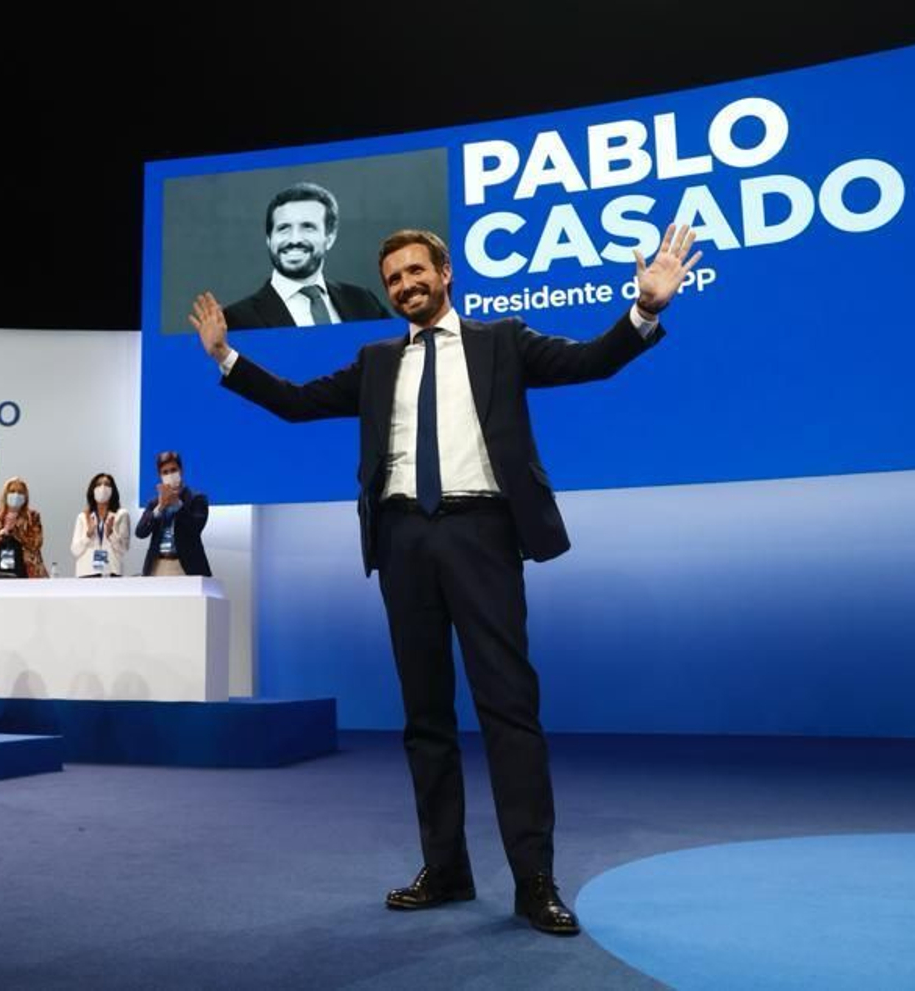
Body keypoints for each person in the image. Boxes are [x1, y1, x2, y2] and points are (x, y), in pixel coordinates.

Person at [190, 224, 703, 935]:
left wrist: (645, 310)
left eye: (414, 271)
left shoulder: (502, 342)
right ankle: (447, 869)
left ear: (445, 273)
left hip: (481, 534)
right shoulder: (374, 361)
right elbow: (298, 402)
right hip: (402, 541)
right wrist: (225, 356)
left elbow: (592, 361)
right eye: (393, 277)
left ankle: (534, 882)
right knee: (425, 718)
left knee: (508, 710)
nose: (405, 284)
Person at [222, 182, 390, 330]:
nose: (294, 239)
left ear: (329, 238)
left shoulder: (364, 302)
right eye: (283, 228)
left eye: (307, 227)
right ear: (269, 239)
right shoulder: (236, 320)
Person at [134, 452, 210, 577]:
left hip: (184, 566)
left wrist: (177, 504)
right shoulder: (154, 503)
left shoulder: (197, 498)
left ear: (181, 470)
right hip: (157, 565)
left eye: (173, 470)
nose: (170, 475)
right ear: (160, 475)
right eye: (165, 472)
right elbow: (140, 532)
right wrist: (160, 507)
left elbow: (195, 528)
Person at [0, 477, 46, 579]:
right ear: (5, 494)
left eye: (20, 492)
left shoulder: (33, 517)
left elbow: (36, 543)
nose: (16, 495)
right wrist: (2, 533)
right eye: (12, 491)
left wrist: (15, 529)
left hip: (26, 572)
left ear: (25, 496)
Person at [70, 472, 130, 578]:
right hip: (86, 573)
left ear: (113, 490)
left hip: (112, 572)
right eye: (98, 484)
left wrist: (111, 534)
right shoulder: (83, 517)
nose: (102, 488)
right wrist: (88, 535)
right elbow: (75, 551)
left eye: (107, 484)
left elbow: (124, 549)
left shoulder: (121, 515)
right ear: (92, 490)